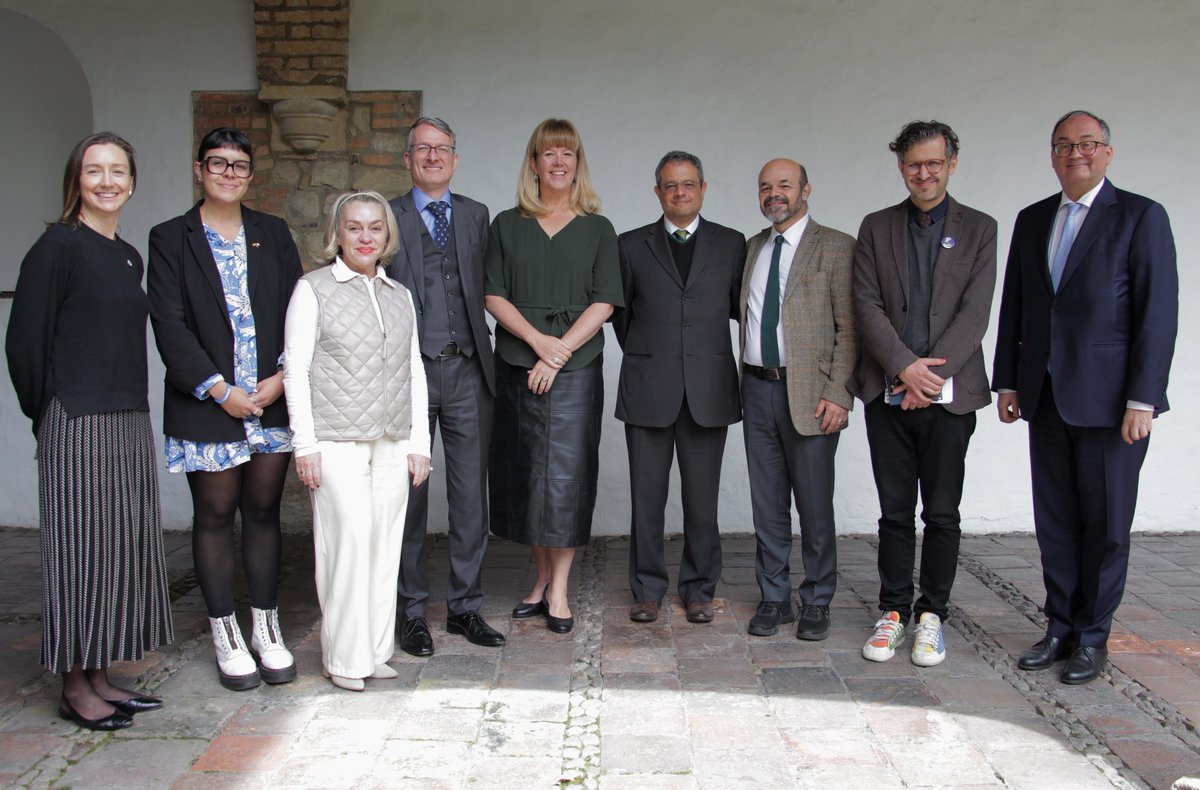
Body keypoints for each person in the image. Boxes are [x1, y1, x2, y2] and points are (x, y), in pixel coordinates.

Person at [993, 110, 1178, 685]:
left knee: (1105, 525)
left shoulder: (1141, 216)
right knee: (1056, 521)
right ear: (1052, 155)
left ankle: (1094, 636)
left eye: (1088, 144)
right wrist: (1008, 380)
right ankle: (1059, 627)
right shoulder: (1032, 219)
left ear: (1108, 153)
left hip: (1112, 406)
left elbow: (1158, 315)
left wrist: (1143, 399)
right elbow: (1017, 307)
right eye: (1065, 145)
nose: (1076, 153)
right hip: (1044, 397)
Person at [6, 132, 173, 730]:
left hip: (127, 416)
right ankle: (74, 686)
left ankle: (101, 673)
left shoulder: (127, 254)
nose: (107, 181)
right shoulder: (57, 247)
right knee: (79, 551)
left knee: (117, 550)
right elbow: (24, 343)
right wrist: (50, 412)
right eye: (94, 170)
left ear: (132, 180)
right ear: (77, 179)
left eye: (118, 171)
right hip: (77, 419)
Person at [148, 127, 303, 690]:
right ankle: (225, 634)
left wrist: (283, 377)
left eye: (239, 166)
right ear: (199, 169)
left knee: (263, 513)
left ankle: (266, 627)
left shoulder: (273, 232)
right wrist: (219, 389)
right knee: (214, 515)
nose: (228, 174)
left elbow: (297, 306)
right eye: (218, 164)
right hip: (208, 403)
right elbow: (169, 323)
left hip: (269, 399)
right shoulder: (171, 237)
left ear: (250, 175)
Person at [851, 121, 997, 667]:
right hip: (887, 394)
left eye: (934, 163)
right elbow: (867, 306)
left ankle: (932, 614)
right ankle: (892, 611)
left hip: (950, 397)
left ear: (951, 163)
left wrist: (927, 379)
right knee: (893, 512)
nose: (924, 172)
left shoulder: (980, 228)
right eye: (914, 164)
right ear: (901, 167)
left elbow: (975, 314)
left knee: (941, 512)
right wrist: (903, 371)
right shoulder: (876, 226)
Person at [284, 191, 431, 691]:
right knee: (345, 546)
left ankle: (373, 649)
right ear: (337, 234)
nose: (365, 236)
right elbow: (296, 371)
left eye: (375, 227)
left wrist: (420, 443)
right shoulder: (313, 289)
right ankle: (344, 659)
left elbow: (414, 369)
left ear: (387, 236)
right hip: (336, 440)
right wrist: (305, 445)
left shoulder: (399, 294)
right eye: (354, 227)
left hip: (392, 440)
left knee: (383, 547)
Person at [484, 118, 623, 634]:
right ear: (534, 163)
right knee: (527, 476)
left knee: (564, 479)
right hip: (518, 363)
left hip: (578, 366)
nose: (558, 162)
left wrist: (558, 352)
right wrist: (537, 343)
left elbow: (605, 300)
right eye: (549, 154)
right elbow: (493, 293)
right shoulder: (506, 223)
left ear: (577, 164)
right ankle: (539, 579)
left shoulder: (597, 228)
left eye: (568, 154)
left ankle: (560, 589)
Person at [386, 118, 503, 657]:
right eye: (423, 149)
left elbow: (496, 288)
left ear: (455, 160)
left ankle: (465, 607)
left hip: (468, 370)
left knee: (469, 497)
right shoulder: (387, 215)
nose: (433, 157)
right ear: (408, 159)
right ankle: (410, 612)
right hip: (406, 372)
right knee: (410, 496)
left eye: (442, 149)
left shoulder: (478, 215)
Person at [614, 151, 746, 625]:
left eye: (689, 184)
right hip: (649, 387)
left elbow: (738, 310)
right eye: (670, 185)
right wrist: (655, 355)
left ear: (703, 189)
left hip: (709, 390)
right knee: (646, 499)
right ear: (657, 192)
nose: (680, 192)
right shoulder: (630, 245)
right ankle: (647, 589)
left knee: (702, 500)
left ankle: (698, 589)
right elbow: (622, 317)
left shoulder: (732, 245)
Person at [739, 159, 857, 640]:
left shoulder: (836, 246)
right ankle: (774, 598)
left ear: (806, 188)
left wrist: (839, 393)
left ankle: (817, 599)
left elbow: (850, 328)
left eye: (784, 185)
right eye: (766, 186)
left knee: (813, 505)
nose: (774, 194)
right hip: (756, 388)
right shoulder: (752, 248)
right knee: (767, 505)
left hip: (811, 395)